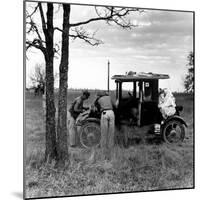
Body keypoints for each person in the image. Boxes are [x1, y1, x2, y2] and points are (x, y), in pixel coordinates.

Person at [94, 91, 115, 160]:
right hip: (111, 113)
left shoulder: (99, 99)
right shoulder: (109, 97)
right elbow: (115, 105)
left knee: (104, 134)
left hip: (104, 113)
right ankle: (111, 153)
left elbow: (95, 106)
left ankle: (103, 154)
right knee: (111, 134)